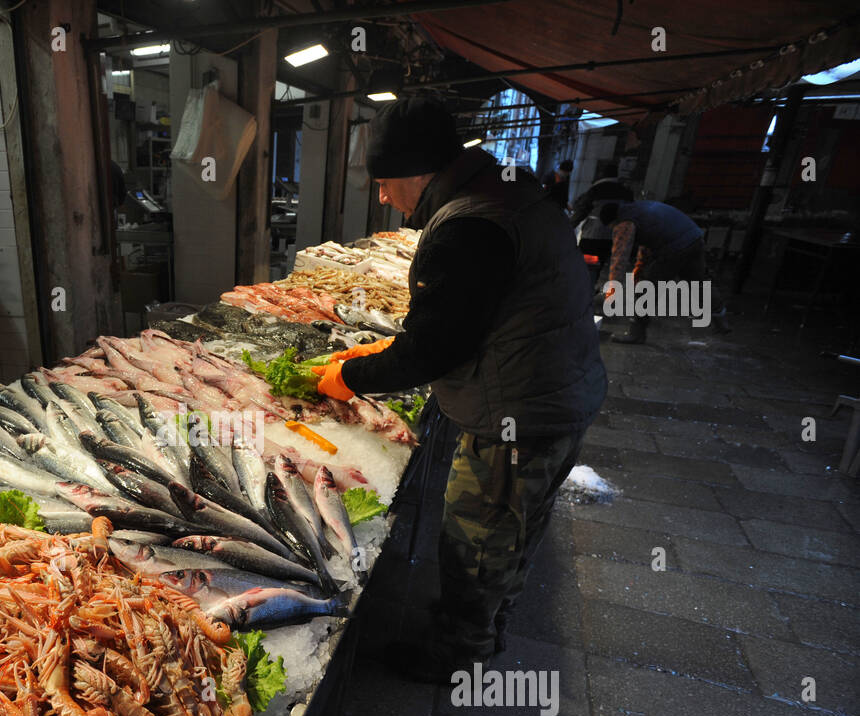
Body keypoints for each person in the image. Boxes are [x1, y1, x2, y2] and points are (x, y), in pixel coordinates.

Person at [310, 98, 605, 683]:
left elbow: (434, 350)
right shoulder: (503, 194)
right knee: (516, 529)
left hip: (520, 413)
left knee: (479, 537)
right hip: (557, 394)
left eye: (386, 182)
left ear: (420, 172)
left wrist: (351, 377)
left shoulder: (469, 224)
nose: (383, 197)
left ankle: (457, 657)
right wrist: (379, 349)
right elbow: (465, 321)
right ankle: (486, 626)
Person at [598, 199, 728, 344]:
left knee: (647, 287)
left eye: (611, 228)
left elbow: (619, 258)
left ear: (613, 222)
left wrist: (612, 290)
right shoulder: (638, 211)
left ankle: (636, 333)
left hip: (675, 246)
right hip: (694, 238)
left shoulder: (624, 223)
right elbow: (646, 247)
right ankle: (721, 322)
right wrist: (638, 272)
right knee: (697, 283)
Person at [569, 162, 633, 261]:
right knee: (607, 264)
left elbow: (581, 211)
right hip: (615, 236)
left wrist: (568, 226)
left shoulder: (595, 190)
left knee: (585, 265)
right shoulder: (626, 192)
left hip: (593, 235)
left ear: (601, 174)